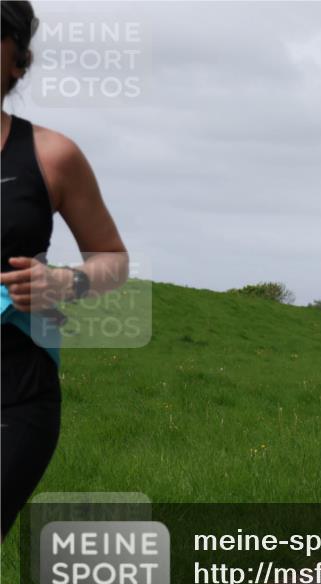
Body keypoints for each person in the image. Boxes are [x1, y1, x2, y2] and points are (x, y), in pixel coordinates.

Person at [2, 0, 129, 539]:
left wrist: (65, 281)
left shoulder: (53, 155)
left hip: (15, 389)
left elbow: (112, 260)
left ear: (18, 61)